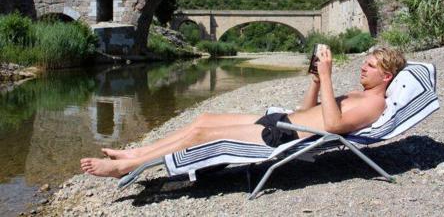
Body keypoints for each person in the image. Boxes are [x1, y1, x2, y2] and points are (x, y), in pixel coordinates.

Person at [81, 47, 406, 178]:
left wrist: (329, 76)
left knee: (200, 134)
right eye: (366, 62)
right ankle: (137, 151)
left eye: (371, 66)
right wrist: (316, 82)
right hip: (283, 122)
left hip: (282, 136)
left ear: (387, 76)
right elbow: (308, 111)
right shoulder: (357, 95)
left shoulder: (372, 103)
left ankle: (129, 167)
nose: (363, 67)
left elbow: (333, 126)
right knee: (203, 120)